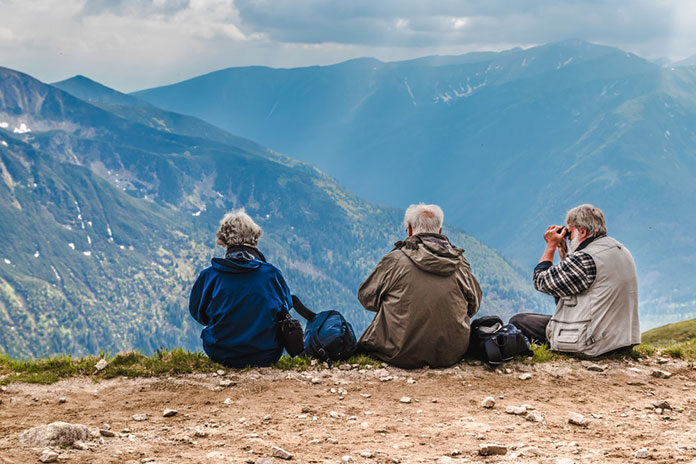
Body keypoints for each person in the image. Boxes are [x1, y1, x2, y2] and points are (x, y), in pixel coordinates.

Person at [357, 203, 482, 368]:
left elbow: (367, 298)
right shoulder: (459, 263)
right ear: (440, 231)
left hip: (399, 353)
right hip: (451, 354)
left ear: (409, 230)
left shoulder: (395, 261)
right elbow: (474, 306)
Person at [510, 204, 640, 356]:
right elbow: (570, 287)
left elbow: (541, 281)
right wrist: (565, 253)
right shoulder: (619, 249)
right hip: (621, 340)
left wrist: (551, 246)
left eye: (570, 233)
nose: (568, 237)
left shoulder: (585, 258)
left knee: (519, 321)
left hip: (593, 342)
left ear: (582, 231)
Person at [188, 209, 292, 368]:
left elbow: (198, 313)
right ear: (255, 237)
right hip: (265, 355)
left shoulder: (210, 276)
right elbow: (286, 306)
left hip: (221, 353)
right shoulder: (271, 275)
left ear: (223, 239)